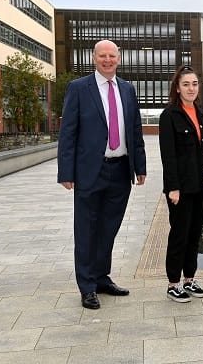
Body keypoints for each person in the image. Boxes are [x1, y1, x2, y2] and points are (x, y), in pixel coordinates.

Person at [57, 39, 147, 310]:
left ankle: (100, 277)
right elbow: (68, 133)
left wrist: (139, 166)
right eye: (103, 56)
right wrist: (66, 172)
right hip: (89, 171)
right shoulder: (79, 88)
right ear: (94, 58)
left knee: (108, 228)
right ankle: (87, 287)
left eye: (112, 56)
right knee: (86, 230)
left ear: (119, 59)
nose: (108, 60)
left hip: (120, 170)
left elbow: (135, 130)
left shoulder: (128, 90)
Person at [159, 65, 203, 303]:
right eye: (186, 84)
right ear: (177, 87)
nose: (191, 88)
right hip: (181, 188)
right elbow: (168, 155)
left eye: (194, 84)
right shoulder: (169, 116)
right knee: (179, 235)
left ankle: (189, 279)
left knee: (195, 235)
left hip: (201, 185)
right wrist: (173, 187)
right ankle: (173, 283)